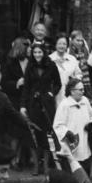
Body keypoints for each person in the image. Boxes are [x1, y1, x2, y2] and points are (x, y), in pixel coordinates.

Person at [20, 42, 62, 175]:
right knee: (34, 134)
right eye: (35, 53)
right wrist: (22, 105)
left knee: (47, 134)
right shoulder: (30, 66)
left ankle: (46, 166)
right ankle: (36, 165)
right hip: (33, 104)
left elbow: (58, 83)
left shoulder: (51, 65)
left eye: (39, 52)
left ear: (44, 53)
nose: (37, 55)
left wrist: (51, 93)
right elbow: (26, 87)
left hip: (47, 104)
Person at [52, 78, 92, 176]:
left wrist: (91, 123)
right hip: (71, 146)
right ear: (72, 91)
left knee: (86, 173)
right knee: (73, 177)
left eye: (83, 89)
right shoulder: (64, 105)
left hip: (85, 144)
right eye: (80, 90)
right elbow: (57, 126)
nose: (83, 92)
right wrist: (67, 132)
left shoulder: (85, 101)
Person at [50, 33, 82, 108]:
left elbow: (79, 74)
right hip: (55, 93)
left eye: (64, 44)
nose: (62, 46)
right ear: (55, 44)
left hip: (69, 93)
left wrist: (74, 81)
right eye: (59, 43)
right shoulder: (50, 59)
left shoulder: (72, 59)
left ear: (67, 45)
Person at [68, 30, 92, 98]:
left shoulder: (85, 51)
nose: (80, 43)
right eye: (77, 40)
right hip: (74, 80)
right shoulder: (68, 52)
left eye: (81, 40)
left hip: (85, 80)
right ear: (72, 40)